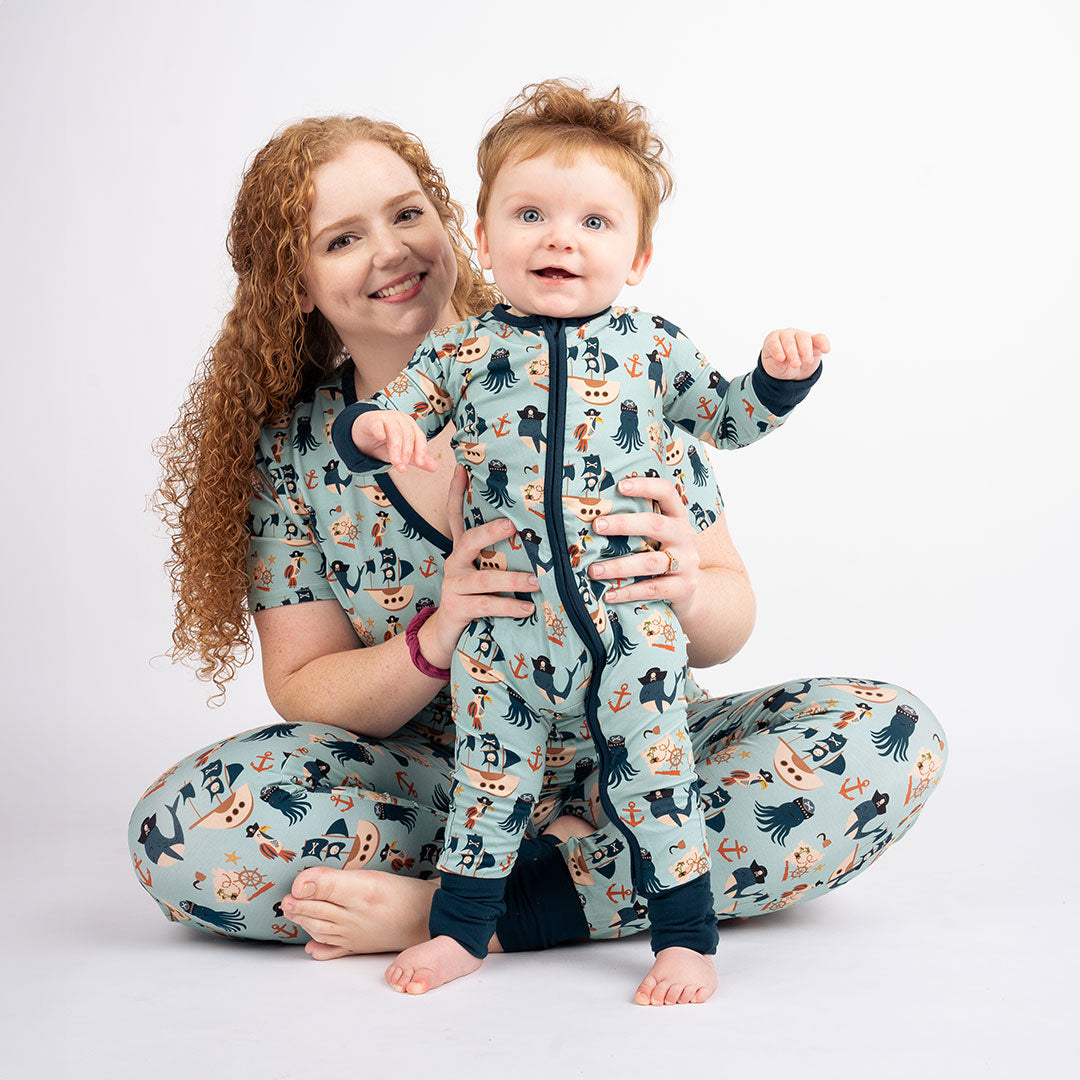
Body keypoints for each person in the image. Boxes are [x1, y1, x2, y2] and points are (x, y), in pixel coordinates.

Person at [129, 103, 948, 1009]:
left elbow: (727, 620)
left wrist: (688, 586)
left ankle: (471, 915)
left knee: (890, 736)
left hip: (642, 738)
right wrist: (438, 634)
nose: (392, 250)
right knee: (185, 831)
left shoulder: (618, 373)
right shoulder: (298, 455)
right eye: (342, 239)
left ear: (452, 227)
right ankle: (565, 884)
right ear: (295, 285)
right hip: (447, 777)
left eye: (407, 214)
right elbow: (306, 687)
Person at [332, 80, 828, 1003]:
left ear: (636, 258)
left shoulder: (652, 348)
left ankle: (683, 937)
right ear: (484, 241)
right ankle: (462, 930)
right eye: (530, 214)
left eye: (594, 222)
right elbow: (391, 415)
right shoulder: (463, 353)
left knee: (660, 778)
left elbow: (725, 417)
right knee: (488, 784)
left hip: (630, 634)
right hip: (505, 634)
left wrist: (775, 379)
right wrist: (376, 433)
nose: (560, 237)